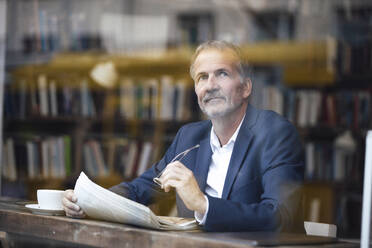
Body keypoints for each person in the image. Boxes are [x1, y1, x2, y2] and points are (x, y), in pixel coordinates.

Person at [63, 40, 304, 232]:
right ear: (196, 91)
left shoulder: (274, 133)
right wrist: (89, 202)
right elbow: (142, 189)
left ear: (246, 88)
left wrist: (203, 204)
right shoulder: (190, 137)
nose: (210, 85)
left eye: (222, 74)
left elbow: (279, 216)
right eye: (202, 77)